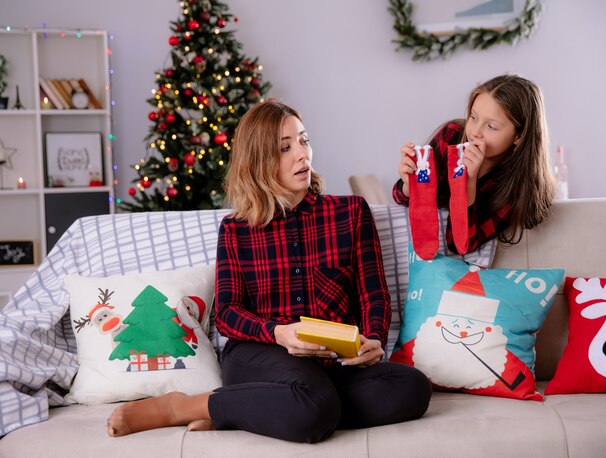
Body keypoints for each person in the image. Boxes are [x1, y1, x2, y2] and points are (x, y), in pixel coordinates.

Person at [107, 100, 432, 443]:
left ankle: (256, 410)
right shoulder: (236, 229)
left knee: (411, 387)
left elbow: (373, 294)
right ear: (258, 160)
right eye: (285, 148)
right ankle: (183, 407)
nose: (302, 155)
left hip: (333, 359)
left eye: (304, 141)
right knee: (314, 407)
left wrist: (373, 339)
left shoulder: (350, 212)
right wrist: (280, 333)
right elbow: (228, 315)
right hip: (260, 354)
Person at [394, 74, 555, 252]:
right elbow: (400, 196)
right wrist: (410, 186)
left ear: (519, 136)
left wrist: (468, 183)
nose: (475, 132)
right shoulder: (451, 136)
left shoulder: (519, 187)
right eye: (473, 117)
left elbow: (458, 244)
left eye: (491, 126)